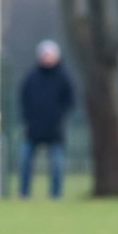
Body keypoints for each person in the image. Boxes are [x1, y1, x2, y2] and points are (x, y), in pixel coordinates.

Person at [18, 40, 75, 199]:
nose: (47, 58)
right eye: (44, 55)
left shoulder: (63, 77)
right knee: (25, 161)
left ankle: (55, 195)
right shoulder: (31, 77)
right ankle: (24, 192)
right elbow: (24, 98)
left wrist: (58, 115)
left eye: (49, 55)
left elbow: (69, 100)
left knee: (57, 164)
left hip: (54, 129)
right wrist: (28, 117)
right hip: (33, 128)